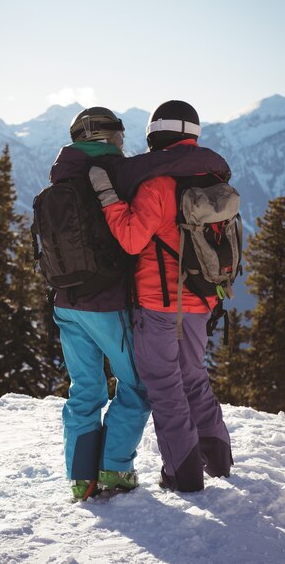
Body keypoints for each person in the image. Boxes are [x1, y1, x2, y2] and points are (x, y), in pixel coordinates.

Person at [48, 105, 231, 500]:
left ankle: (93, 477)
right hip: (159, 301)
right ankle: (129, 468)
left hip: (95, 301)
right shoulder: (196, 178)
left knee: (103, 388)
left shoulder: (70, 177)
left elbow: (123, 238)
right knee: (166, 382)